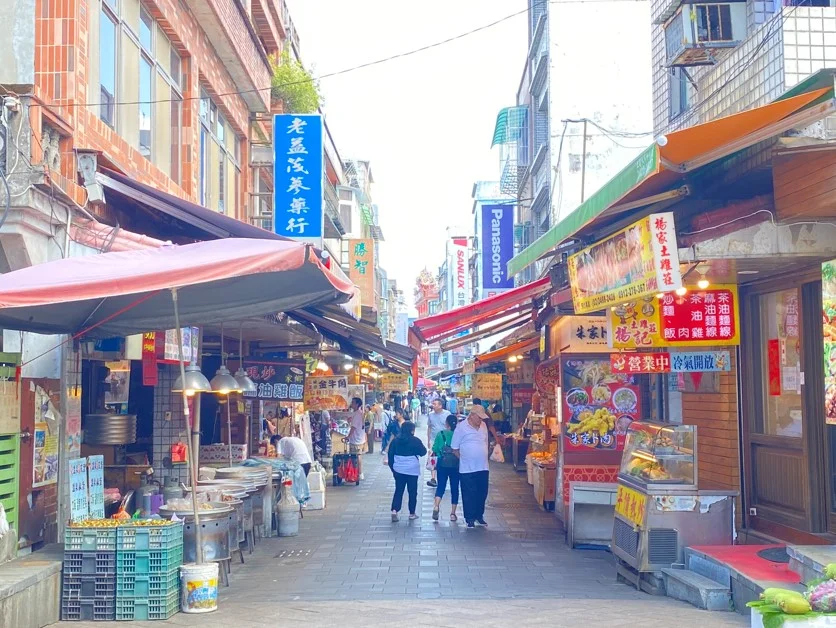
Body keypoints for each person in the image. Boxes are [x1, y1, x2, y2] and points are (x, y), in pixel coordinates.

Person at [452, 405, 491, 529]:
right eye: (479, 417)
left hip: (483, 467)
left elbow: (486, 442)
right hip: (467, 468)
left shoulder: (483, 426)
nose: (481, 420)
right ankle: (469, 518)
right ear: (472, 415)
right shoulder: (461, 427)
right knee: (469, 493)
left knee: (482, 492)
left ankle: (479, 516)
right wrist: (464, 458)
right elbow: (454, 448)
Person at [386, 421, 427, 522]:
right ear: (412, 430)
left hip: (398, 469)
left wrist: (393, 469)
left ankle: (394, 510)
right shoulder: (415, 440)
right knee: (412, 491)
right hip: (412, 469)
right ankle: (412, 513)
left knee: (399, 490)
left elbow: (390, 456)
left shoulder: (395, 441)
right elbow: (423, 452)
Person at [432, 414, 460, 522]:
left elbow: (435, 448)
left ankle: (436, 506)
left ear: (446, 423)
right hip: (455, 465)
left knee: (441, 487)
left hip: (442, 464)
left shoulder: (441, 434)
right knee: (454, 488)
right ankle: (453, 513)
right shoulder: (458, 434)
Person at [425, 398, 450, 488]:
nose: (433, 405)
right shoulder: (431, 415)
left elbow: (449, 427)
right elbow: (429, 427)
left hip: (444, 440)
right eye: (433, 404)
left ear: (440, 405)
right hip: (433, 439)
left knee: (443, 457)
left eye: (435, 404)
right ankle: (433, 478)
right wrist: (428, 440)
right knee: (432, 458)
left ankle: (442, 476)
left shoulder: (447, 414)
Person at [348, 397, 366, 481]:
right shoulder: (359, 413)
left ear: (357, 404)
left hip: (356, 439)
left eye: (353, 402)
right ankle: (357, 473)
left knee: (357, 456)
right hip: (359, 438)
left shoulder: (358, 414)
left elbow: (353, 428)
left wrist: (348, 436)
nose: (351, 404)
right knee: (358, 456)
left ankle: (359, 473)